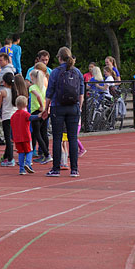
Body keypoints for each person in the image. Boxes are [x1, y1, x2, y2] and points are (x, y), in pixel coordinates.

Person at [43, 46, 84, 177]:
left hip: (58, 106)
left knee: (57, 138)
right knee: (73, 138)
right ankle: (74, 169)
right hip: (73, 107)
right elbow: (81, 93)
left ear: (59, 58)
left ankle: (56, 169)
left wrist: (46, 108)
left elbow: (49, 92)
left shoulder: (55, 72)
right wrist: (79, 107)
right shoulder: (77, 72)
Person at [28, 63, 50, 163]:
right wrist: (45, 108)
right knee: (43, 132)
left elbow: (37, 96)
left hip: (36, 111)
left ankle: (46, 153)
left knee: (37, 133)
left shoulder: (32, 87)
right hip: (44, 111)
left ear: (33, 78)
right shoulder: (43, 88)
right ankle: (46, 153)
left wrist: (41, 105)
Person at [0, 70, 17, 167]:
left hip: (6, 116)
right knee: (11, 138)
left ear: (4, 82)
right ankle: (6, 156)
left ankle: (10, 159)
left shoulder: (3, 92)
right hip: (14, 115)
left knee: (8, 138)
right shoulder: (16, 91)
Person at [11, 96, 34, 174]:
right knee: (29, 151)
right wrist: (39, 116)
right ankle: (28, 163)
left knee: (21, 152)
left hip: (17, 137)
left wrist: (12, 136)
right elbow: (31, 118)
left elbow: (11, 127)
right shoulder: (26, 114)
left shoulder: (13, 116)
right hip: (26, 136)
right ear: (25, 105)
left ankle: (21, 169)